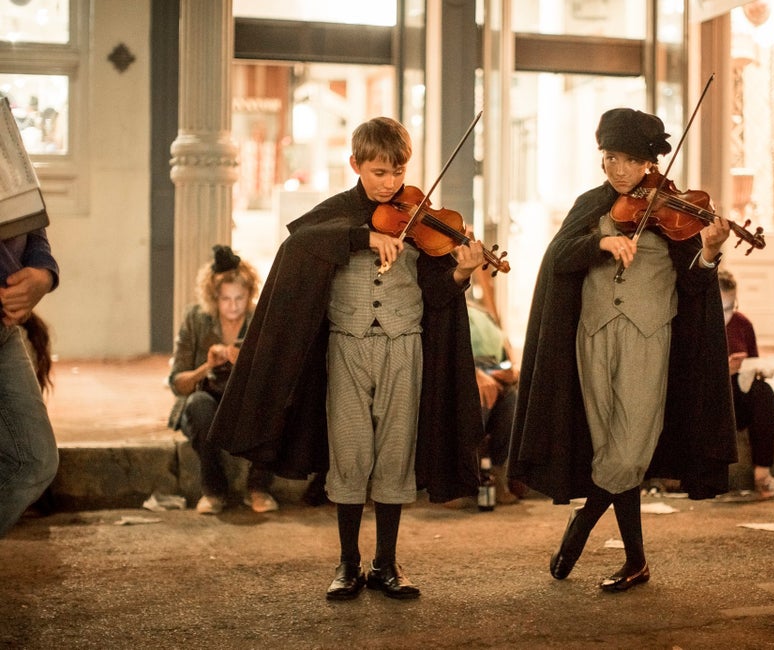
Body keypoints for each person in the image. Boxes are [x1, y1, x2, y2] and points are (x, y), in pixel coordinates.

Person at [208, 117, 486, 601]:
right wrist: (362, 237)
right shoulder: (336, 213)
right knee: (351, 450)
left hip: (404, 344)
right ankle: (347, 563)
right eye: (379, 172)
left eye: (398, 172)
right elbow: (299, 243)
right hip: (347, 347)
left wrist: (462, 275)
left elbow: (437, 294)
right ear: (355, 165)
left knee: (396, 453)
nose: (390, 183)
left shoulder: (422, 219)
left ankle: (387, 563)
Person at [508, 107, 737, 593]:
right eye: (610, 157)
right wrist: (602, 243)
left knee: (630, 446)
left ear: (652, 163)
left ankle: (583, 524)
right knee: (609, 444)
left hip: (647, 338)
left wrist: (712, 251)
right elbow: (558, 259)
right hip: (592, 337)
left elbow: (694, 288)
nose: (617, 170)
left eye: (630, 160)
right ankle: (636, 562)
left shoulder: (675, 213)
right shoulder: (592, 205)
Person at [168, 245, 278, 514]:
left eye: (239, 298)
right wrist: (207, 366)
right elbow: (177, 383)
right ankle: (214, 491)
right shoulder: (196, 320)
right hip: (208, 397)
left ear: (250, 295)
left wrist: (245, 363)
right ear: (213, 297)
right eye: (226, 299)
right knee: (198, 406)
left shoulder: (259, 321)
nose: (233, 306)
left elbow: (277, 379)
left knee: (274, 405)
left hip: (245, 399)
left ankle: (258, 488)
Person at [0, 225, 60, 538]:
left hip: (5, 327)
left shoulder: (11, 171)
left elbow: (31, 222)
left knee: (35, 461)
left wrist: (43, 274)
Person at [718, 268, 774, 499]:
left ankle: (762, 475)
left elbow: (752, 359)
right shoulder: (696, 323)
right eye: (721, 308)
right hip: (707, 400)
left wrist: (758, 369)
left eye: (731, 307)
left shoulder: (742, 323)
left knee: (764, 393)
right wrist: (723, 370)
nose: (727, 315)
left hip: (736, 394)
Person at [467, 284, 520, 505]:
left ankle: (498, 475)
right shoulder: (453, 310)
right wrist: (474, 373)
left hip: (495, 368)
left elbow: (505, 352)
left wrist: (511, 371)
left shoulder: (485, 314)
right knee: (478, 402)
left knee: (513, 402)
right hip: (467, 370)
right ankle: (466, 480)